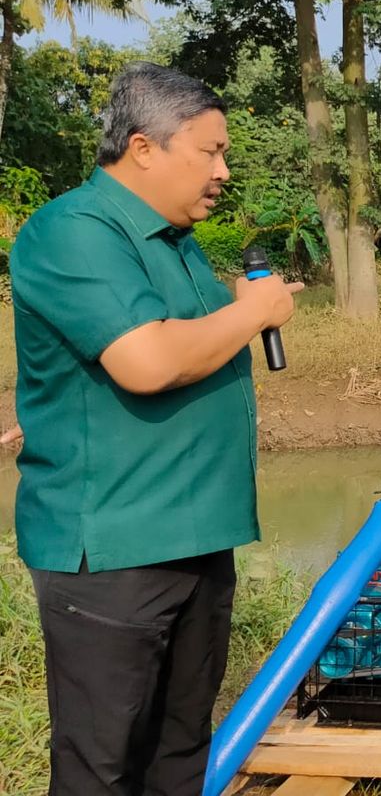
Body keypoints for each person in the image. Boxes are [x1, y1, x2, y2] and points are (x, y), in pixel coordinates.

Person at [8, 62, 303, 795]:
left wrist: (233, 309)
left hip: (197, 540)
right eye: (211, 151)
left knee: (179, 758)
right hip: (115, 553)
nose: (224, 170)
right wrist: (252, 313)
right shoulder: (71, 231)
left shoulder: (173, 239)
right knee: (103, 768)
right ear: (144, 147)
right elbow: (146, 360)